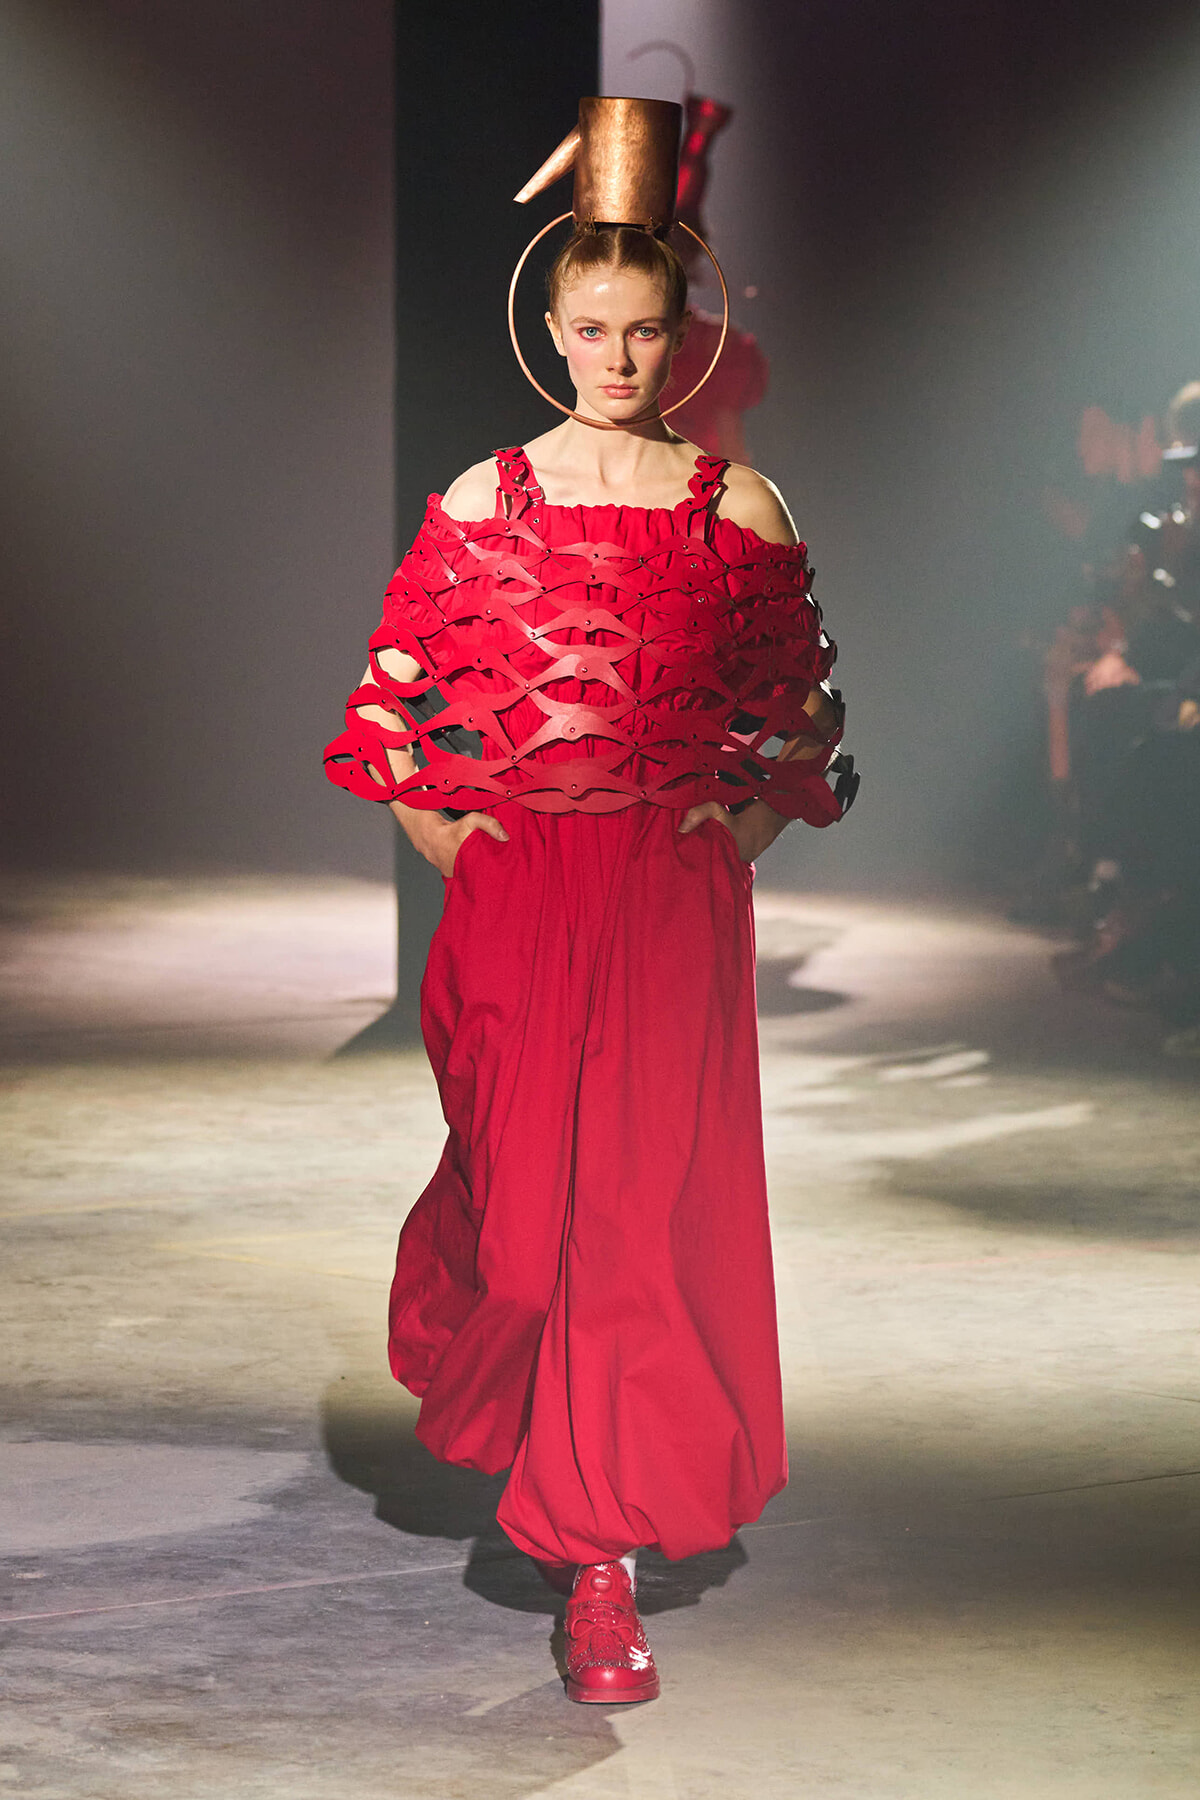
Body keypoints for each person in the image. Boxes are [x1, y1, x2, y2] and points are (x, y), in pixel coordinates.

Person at [324, 97, 855, 1705]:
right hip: (522, 907)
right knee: (526, 1240)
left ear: (680, 335)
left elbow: (808, 724)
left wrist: (727, 839)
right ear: (548, 330)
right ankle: (498, 1377)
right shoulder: (484, 504)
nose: (615, 357)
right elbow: (393, 711)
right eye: (592, 329)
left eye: (643, 330)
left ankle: (597, 1561)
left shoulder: (733, 510)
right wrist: (467, 854)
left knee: (629, 1236)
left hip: (668, 914)